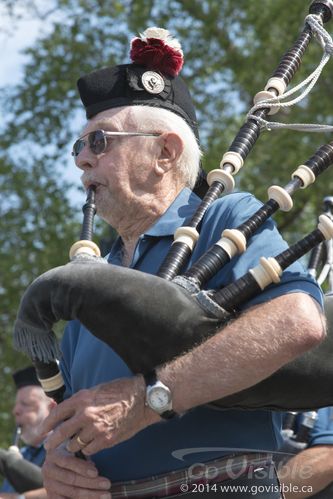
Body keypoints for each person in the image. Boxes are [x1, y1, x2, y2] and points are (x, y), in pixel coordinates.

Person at [40, 28, 325, 498]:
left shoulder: (225, 222)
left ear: (165, 153)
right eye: (79, 148)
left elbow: (298, 322)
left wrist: (148, 399)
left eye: (99, 141)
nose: (82, 162)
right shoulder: (88, 288)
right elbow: (78, 425)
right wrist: (59, 467)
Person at [0, 366, 55, 499]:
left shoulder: (67, 450)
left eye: (26, 404)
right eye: (17, 404)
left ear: (52, 409)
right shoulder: (23, 453)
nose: (15, 411)